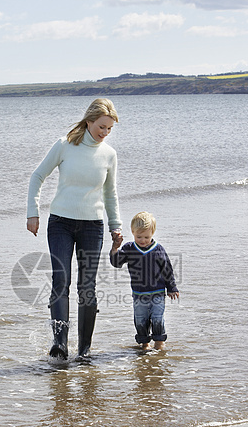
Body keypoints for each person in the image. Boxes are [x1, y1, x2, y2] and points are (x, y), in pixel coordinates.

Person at [27, 98, 122, 359]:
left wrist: (116, 227)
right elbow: (37, 177)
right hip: (60, 223)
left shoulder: (109, 155)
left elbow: (110, 194)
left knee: (87, 287)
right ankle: (60, 345)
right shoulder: (64, 145)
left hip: (93, 226)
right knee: (61, 281)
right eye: (102, 127)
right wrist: (32, 213)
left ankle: (84, 350)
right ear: (89, 121)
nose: (105, 133)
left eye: (109, 129)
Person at [110, 211, 179, 350]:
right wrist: (115, 249)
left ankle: (159, 342)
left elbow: (167, 270)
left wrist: (172, 288)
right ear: (132, 232)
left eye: (146, 237)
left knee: (157, 318)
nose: (142, 240)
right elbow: (117, 263)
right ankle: (144, 343)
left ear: (152, 233)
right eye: (139, 236)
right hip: (139, 294)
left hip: (158, 292)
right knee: (140, 319)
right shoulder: (129, 248)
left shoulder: (158, 249)